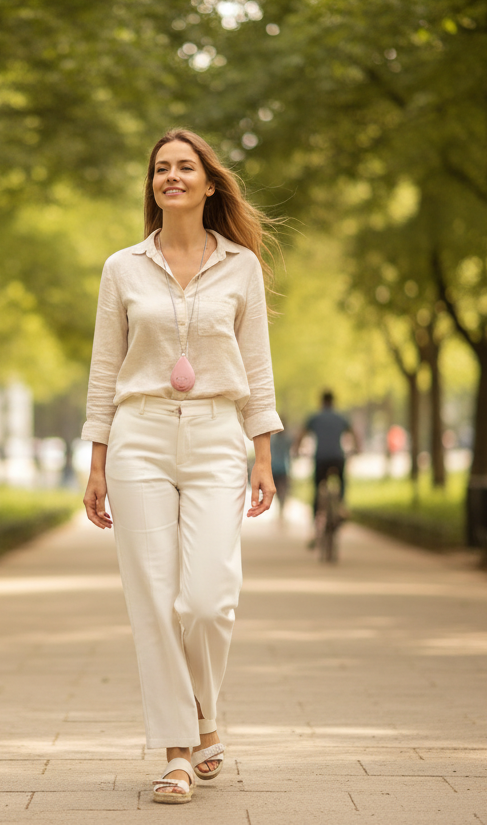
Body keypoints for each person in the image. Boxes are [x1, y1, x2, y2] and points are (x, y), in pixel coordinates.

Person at [82, 129, 281, 804]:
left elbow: (257, 366)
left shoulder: (242, 266)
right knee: (154, 601)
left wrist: (263, 453)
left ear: (209, 183)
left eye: (185, 167)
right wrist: (97, 461)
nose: (172, 177)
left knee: (206, 599)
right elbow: (106, 367)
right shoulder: (123, 268)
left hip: (217, 435)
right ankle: (175, 753)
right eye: (161, 169)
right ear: (154, 185)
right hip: (138, 433)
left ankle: (205, 715)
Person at [295, 390, 361, 520]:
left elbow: (301, 435)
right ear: (333, 402)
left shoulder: (314, 418)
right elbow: (354, 433)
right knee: (341, 481)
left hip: (320, 458)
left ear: (321, 402)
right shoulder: (341, 417)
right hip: (338, 457)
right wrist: (357, 448)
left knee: (317, 486)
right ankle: (341, 506)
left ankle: (316, 519)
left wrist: (296, 449)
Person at [270, 421, 293, 521]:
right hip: (281, 467)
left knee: (279, 489)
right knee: (282, 489)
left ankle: (281, 509)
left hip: (277, 467)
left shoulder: (273, 439)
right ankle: (281, 508)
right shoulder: (286, 439)